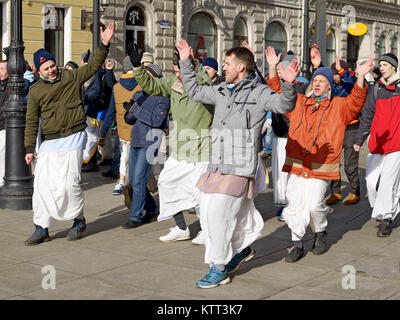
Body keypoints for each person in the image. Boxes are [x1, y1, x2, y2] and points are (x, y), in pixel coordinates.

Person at [177, 39, 299, 288]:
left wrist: (288, 84)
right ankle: (240, 250)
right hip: (216, 165)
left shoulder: (260, 92)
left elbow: (285, 105)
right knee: (210, 216)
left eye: (227, 64)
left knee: (216, 216)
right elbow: (194, 91)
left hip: (239, 167)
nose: (223, 68)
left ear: (241, 68)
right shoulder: (221, 90)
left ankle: (218, 268)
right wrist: (185, 62)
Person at [23, 22, 115, 246]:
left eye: (53, 65)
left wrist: (103, 44)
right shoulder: (35, 91)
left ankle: (78, 220)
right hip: (51, 141)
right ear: (39, 71)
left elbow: (93, 66)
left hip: (74, 136)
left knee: (69, 184)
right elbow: (31, 120)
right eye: (46, 69)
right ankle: (41, 227)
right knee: (41, 185)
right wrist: (28, 148)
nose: (52, 70)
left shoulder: (70, 77)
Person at [275, 57, 374, 263]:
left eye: (322, 80)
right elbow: (278, 96)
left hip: (321, 165)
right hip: (297, 163)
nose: (317, 83)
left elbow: (356, 102)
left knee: (312, 206)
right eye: (315, 80)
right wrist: (281, 77)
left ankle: (320, 231)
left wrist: (360, 77)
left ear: (330, 84)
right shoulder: (299, 103)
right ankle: (298, 244)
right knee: (293, 206)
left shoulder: (338, 106)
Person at [129, 44, 212, 246]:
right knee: (166, 183)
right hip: (180, 149)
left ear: (190, 67)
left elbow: (200, 81)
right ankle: (182, 228)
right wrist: (137, 67)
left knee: (200, 195)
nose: (178, 75)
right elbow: (152, 85)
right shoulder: (174, 83)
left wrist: (187, 63)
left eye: (181, 71)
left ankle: (207, 232)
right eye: (176, 72)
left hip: (200, 150)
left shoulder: (203, 82)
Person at [354, 52, 400, 238]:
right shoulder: (376, 89)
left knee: (389, 182)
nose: (381, 67)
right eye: (380, 64)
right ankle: (385, 208)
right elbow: (367, 116)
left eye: (385, 65)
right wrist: (359, 139)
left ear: (394, 68)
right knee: (371, 182)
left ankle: (385, 219)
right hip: (377, 143)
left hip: (396, 144)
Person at [122, 64, 170, 228]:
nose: (143, 79)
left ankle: (135, 216)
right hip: (136, 139)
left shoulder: (163, 97)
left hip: (150, 142)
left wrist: (136, 110)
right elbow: (129, 120)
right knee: (136, 180)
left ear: (155, 78)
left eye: (147, 76)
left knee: (139, 180)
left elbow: (157, 121)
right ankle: (151, 209)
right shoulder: (139, 94)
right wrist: (129, 112)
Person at [98, 56, 141, 195]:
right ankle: (136, 184)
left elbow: (111, 112)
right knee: (139, 160)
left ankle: (121, 182)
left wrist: (103, 133)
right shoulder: (142, 85)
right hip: (140, 129)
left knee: (124, 156)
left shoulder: (117, 87)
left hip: (123, 129)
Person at [325, 56, 359, 205]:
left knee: (349, 163)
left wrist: (342, 72)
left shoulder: (348, 84)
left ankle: (354, 191)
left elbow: (351, 81)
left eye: (337, 73)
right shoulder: (331, 86)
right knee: (333, 161)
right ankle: (335, 192)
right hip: (335, 127)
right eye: (334, 73)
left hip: (351, 127)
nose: (335, 76)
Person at [0, 59, 9, 187]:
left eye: (2, 69)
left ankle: (1, 182)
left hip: (5, 127)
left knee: (2, 155)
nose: (0, 72)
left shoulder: (15, 84)